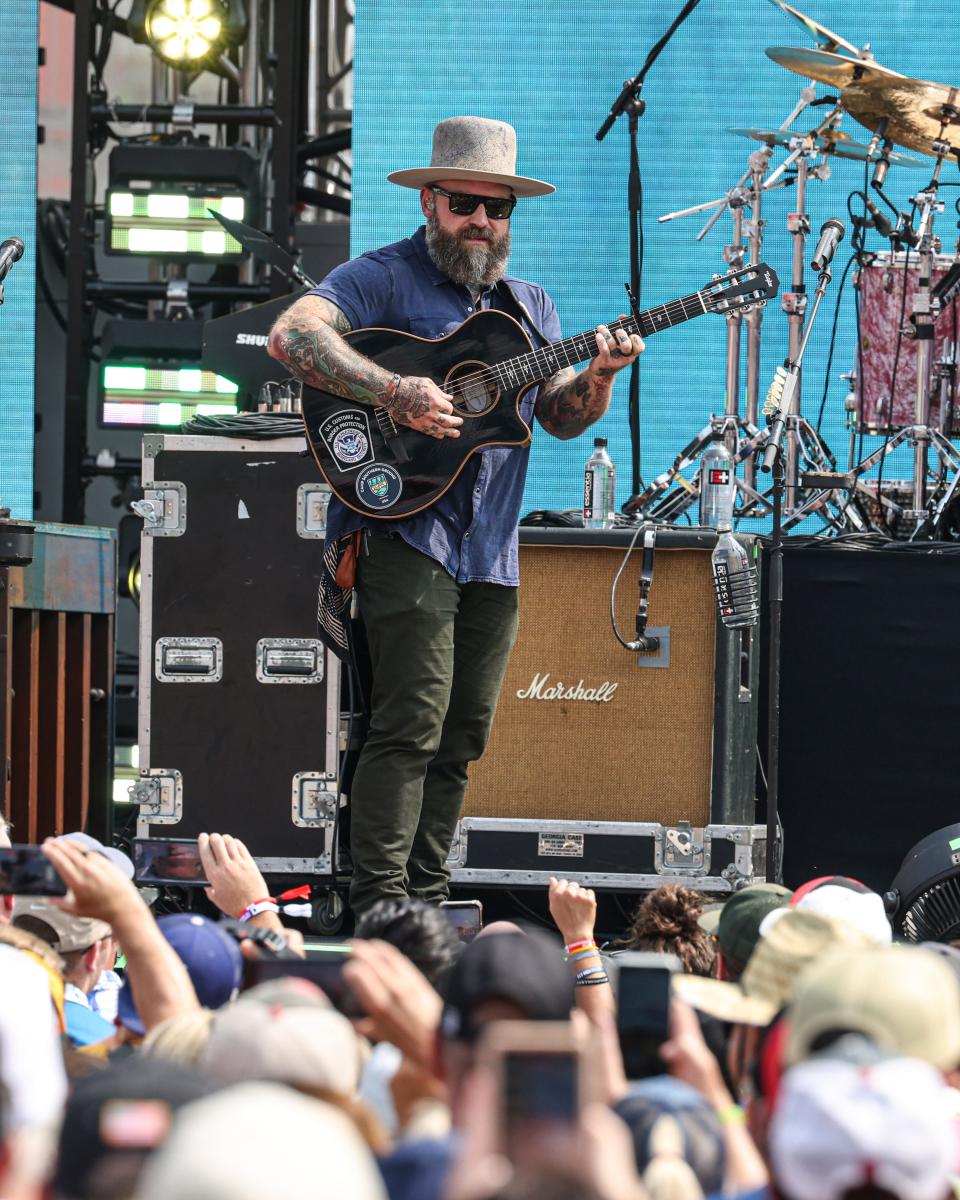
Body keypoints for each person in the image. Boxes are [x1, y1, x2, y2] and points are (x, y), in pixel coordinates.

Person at [267, 115, 644, 913]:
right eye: (466, 203)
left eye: (497, 208)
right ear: (431, 200)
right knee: (410, 722)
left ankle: (428, 901)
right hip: (408, 530)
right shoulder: (384, 277)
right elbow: (291, 335)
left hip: (493, 549)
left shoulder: (529, 304)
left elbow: (562, 416)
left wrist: (603, 374)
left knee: (462, 735)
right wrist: (393, 390)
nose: (482, 221)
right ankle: (381, 905)